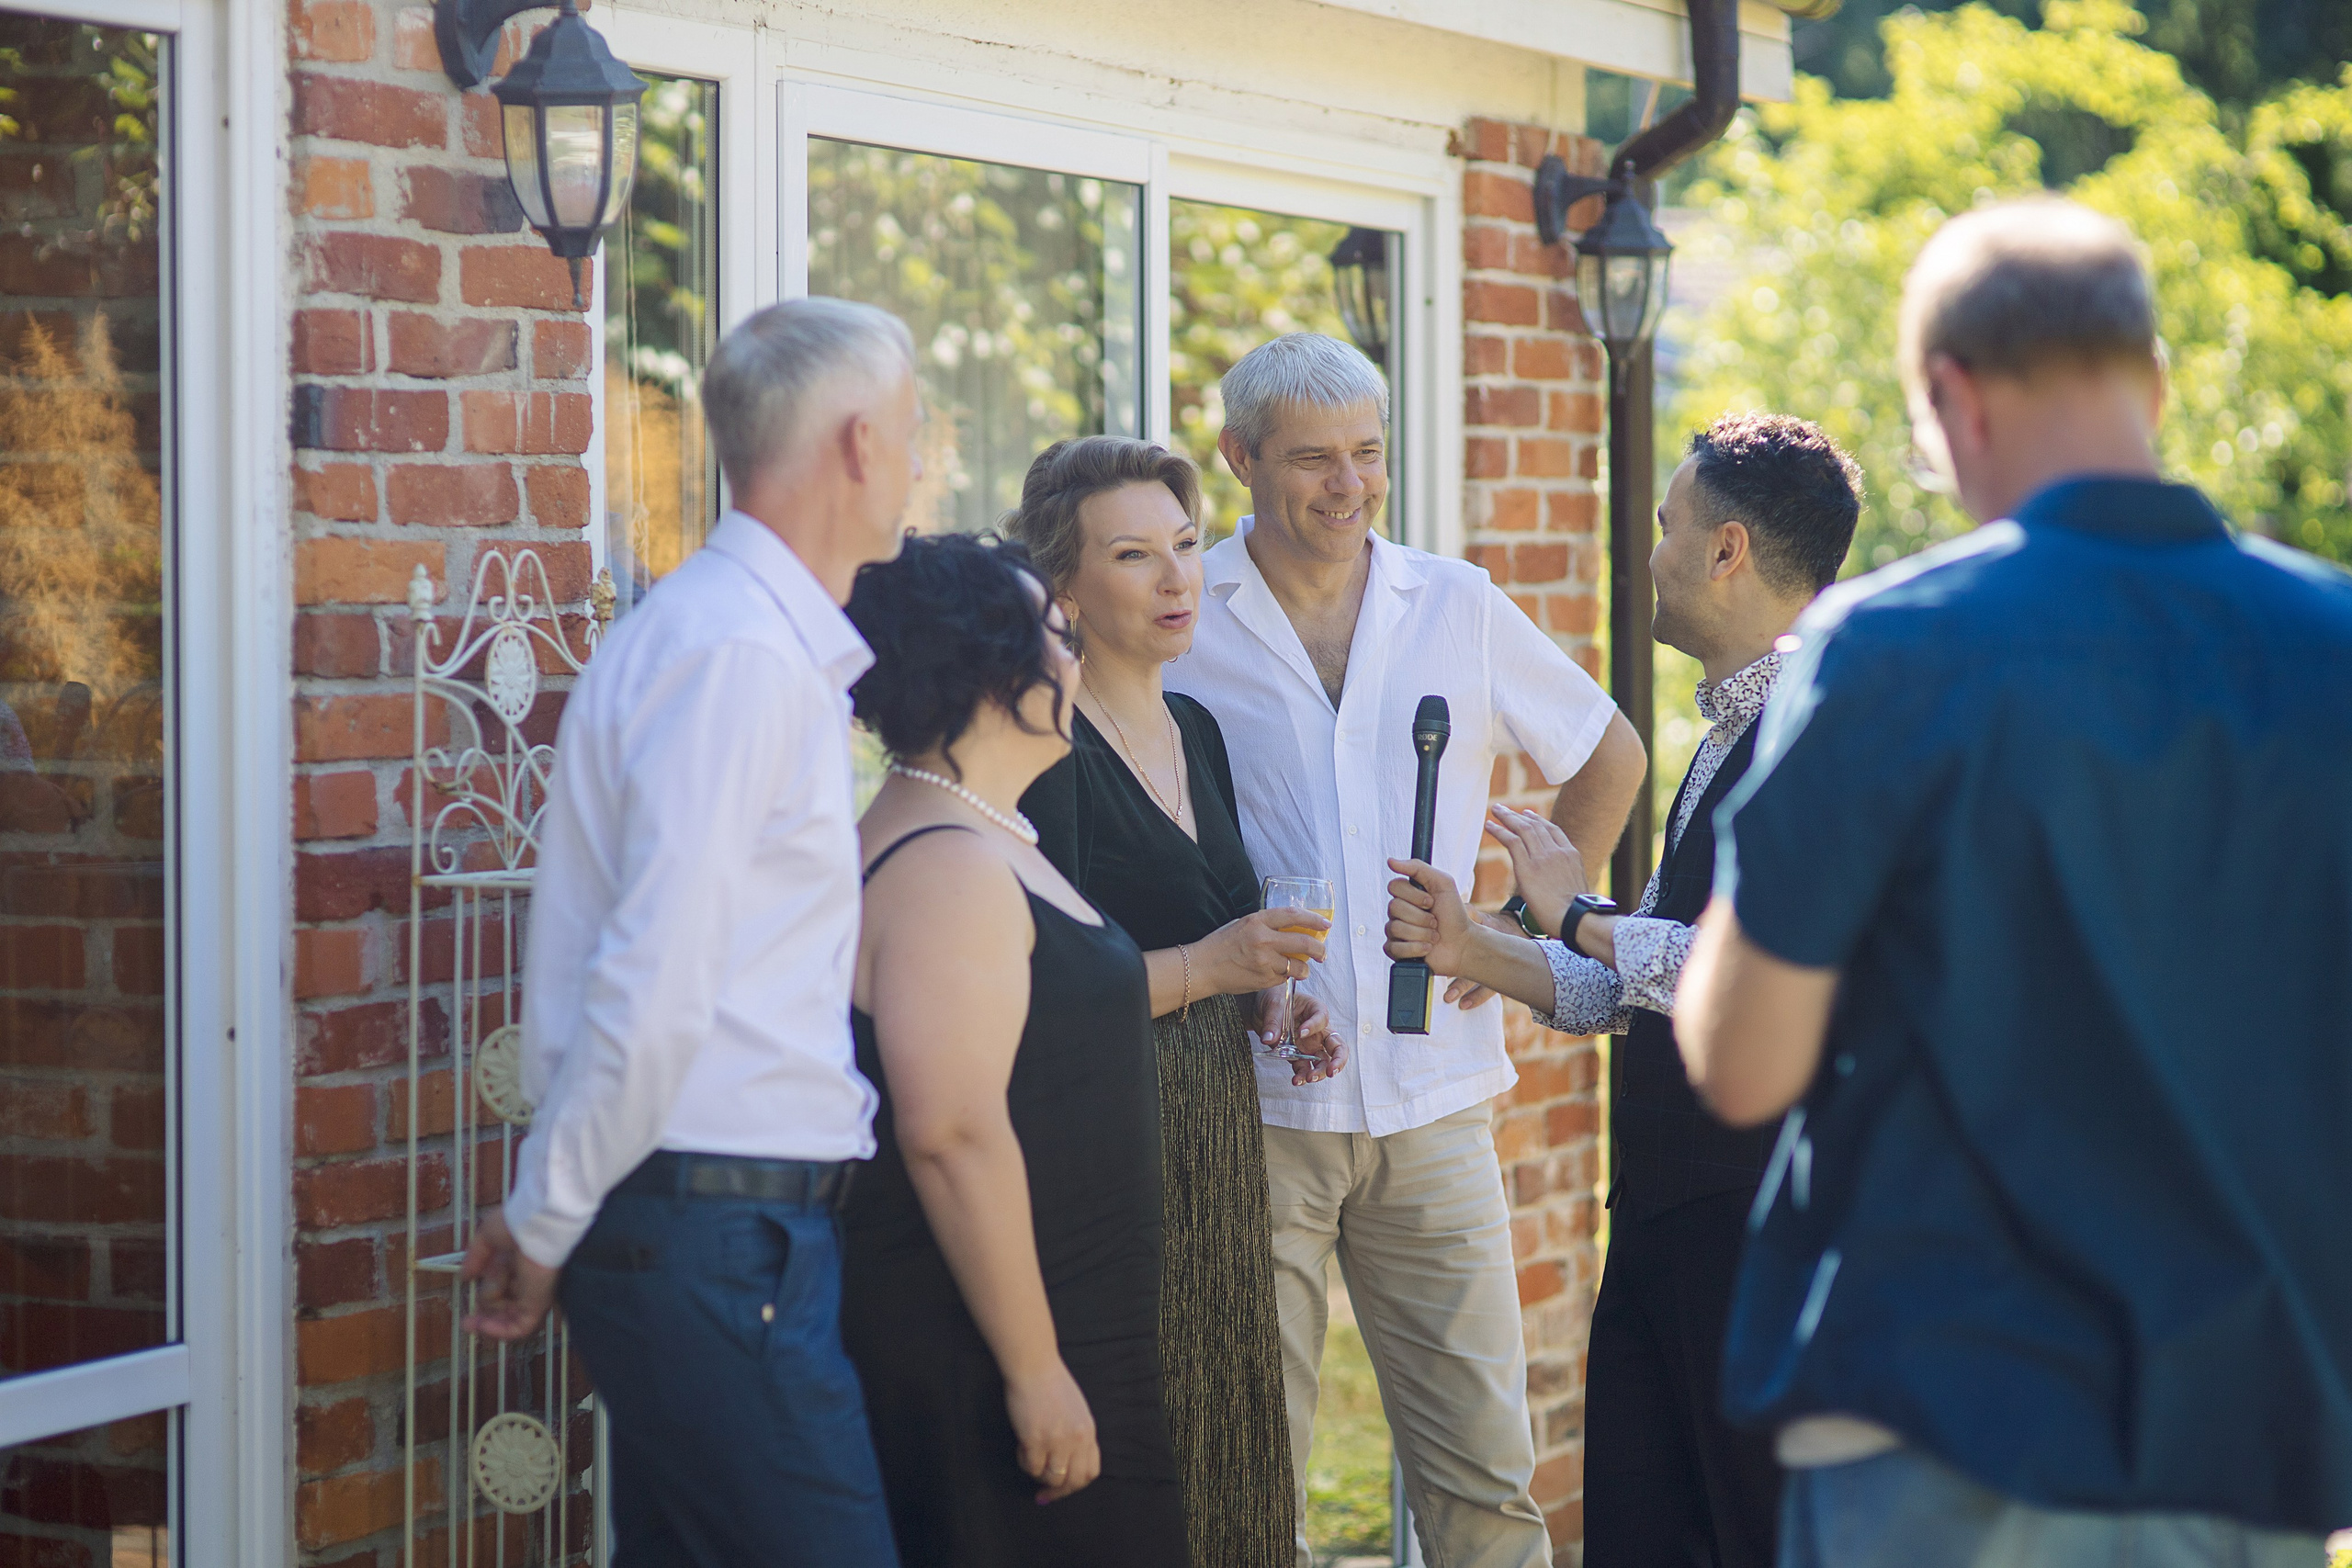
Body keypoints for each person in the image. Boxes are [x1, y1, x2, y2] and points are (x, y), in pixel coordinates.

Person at [1677, 197, 2352, 1567]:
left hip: (1949, 1417)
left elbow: (1744, 1064)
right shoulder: (2329, 648)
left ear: (1950, 398)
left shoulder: (1888, 649)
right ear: (2154, 379)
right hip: (2251, 1426)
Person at [1165, 332, 1648, 1568]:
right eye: (1313, 459)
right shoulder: (1185, 617)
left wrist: (1509, 926)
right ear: (1239, 458)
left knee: (1485, 1483)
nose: (1350, 485)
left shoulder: (1455, 603)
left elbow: (1609, 751)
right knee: (1247, 1479)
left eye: (1368, 454)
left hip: (1436, 1104)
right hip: (1255, 1102)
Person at [458, 298, 921, 1566]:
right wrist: (547, 1212)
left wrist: (553, 1202)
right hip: (713, 1231)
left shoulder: (734, 639)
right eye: (912, 427)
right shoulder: (737, 657)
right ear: (860, 443)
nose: (920, 459)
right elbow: (654, 980)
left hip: (712, 1231)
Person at [1385, 412, 1861, 1568]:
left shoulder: (1822, 733)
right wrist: (1470, 946)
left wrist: (1573, 912)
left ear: (1726, 550)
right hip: (1662, 1225)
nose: (1650, 553)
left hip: (1755, 1235)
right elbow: (1636, 983)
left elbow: (1748, 973)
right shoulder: (1728, 730)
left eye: (1665, 527)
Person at [1008, 434, 1345, 1568]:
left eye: (1187, 545)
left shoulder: (1194, 727)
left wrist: (1274, 1000)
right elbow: (1033, 993)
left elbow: (1220, 930)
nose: (1176, 578)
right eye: (1133, 555)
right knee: (1141, 1454)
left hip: (1218, 1136)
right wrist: (1211, 966)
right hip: (1103, 1148)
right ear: (1063, 589)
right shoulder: (1039, 748)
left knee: (1229, 1444)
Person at [837, 531, 1194, 1567]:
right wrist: (1034, 1371)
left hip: (1067, 1322)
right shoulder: (942, 863)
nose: (1075, 658)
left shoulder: (981, 832)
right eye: (1056, 635)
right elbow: (950, 1131)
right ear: (992, 666)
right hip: (988, 1345)